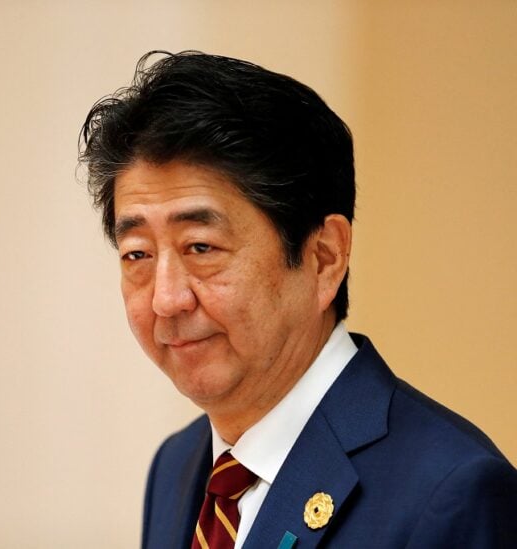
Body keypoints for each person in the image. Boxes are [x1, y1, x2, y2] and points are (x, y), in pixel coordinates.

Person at [78, 51, 517, 549]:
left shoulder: (452, 491)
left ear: (324, 258)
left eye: (201, 247)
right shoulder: (177, 467)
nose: (166, 300)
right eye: (137, 254)